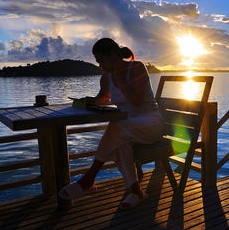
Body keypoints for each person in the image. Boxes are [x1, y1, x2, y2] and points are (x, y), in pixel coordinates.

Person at [59, 38, 163, 209]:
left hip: (150, 123)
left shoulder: (136, 68)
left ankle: (89, 178)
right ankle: (137, 193)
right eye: (98, 62)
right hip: (128, 127)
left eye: (101, 60)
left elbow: (136, 101)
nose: (100, 66)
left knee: (117, 126)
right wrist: (91, 101)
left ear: (113, 56)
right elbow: (103, 98)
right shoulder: (106, 77)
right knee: (120, 143)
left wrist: (117, 74)